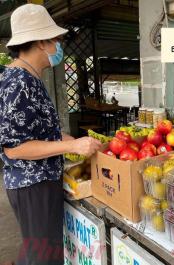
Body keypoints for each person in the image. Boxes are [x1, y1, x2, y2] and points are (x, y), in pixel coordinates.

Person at [0, 4, 101, 265]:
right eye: (56, 40)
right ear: (42, 42)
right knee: (44, 257)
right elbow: (15, 148)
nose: (59, 46)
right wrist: (73, 147)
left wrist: (77, 142)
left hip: (40, 182)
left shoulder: (31, 78)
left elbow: (46, 134)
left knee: (40, 249)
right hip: (32, 185)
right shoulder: (18, 83)